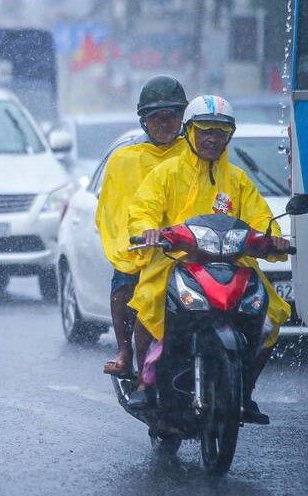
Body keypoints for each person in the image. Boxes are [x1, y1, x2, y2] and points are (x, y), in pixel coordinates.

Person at [126, 95, 291, 424]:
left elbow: (261, 221)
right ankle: (145, 382)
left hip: (232, 264)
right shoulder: (166, 173)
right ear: (189, 132)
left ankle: (243, 391)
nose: (213, 139)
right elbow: (142, 210)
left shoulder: (239, 180)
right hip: (175, 261)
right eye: (205, 131)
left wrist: (273, 239)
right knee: (149, 301)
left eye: (220, 132)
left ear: (229, 135)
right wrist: (148, 231)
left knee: (272, 314)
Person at [95, 75, 188, 376]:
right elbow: (115, 209)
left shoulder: (196, 156)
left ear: (182, 118)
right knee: (123, 289)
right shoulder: (125, 160)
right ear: (144, 121)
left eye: (171, 117)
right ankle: (125, 351)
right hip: (144, 248)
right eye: (155, 117)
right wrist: (135, 238)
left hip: (189, 247)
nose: (164, 124)